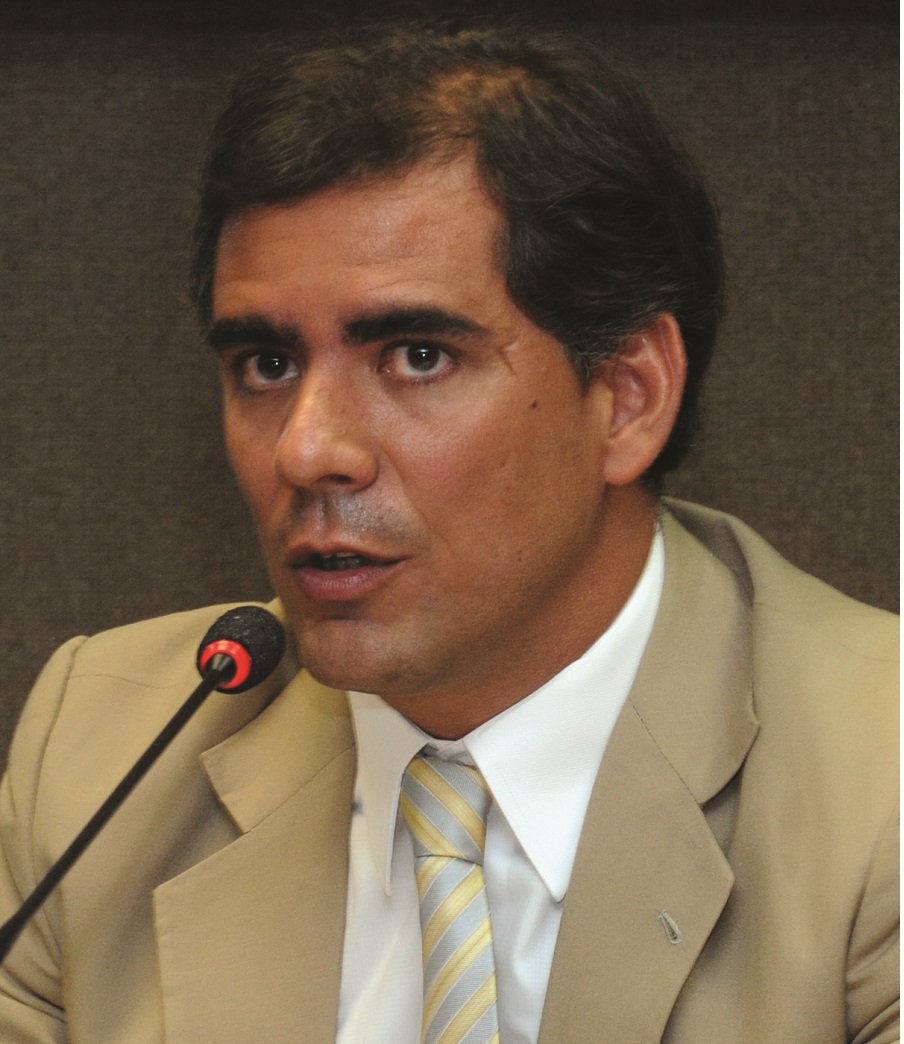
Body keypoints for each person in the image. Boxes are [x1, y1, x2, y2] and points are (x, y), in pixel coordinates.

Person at [0, 22, 897, 1044]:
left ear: (628, 397)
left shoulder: (879, 778)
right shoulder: (105, 755)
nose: (307, 450)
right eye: (266, 365)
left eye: (416, 356)